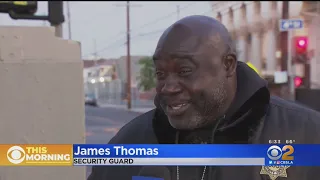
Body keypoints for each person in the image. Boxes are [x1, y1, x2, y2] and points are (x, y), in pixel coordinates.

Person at [88, 15, 320, 180]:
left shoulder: (306, 134)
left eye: (184, 71)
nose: (168, 88)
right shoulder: (129, 143)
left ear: (227, 65)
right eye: (160, 73)